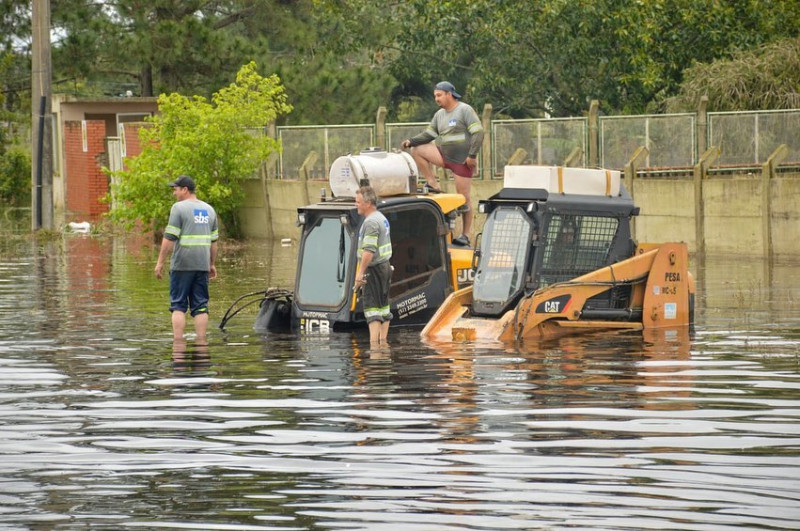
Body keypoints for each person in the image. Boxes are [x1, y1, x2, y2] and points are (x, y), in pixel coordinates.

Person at [401, 81, 484, 247]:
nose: (436, 99)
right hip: (444, 155)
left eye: (439, 95)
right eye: (435, 96)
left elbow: (478, 132)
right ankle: (433, 183)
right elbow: (429, 134)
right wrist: (412, 141)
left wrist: (472, 156)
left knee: (464, 199)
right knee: (416, 149)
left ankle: (465, 235)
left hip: (462, 160)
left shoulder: (464, 110)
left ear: (449, 94)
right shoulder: (439, 115)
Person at [154, 175, 219, 343]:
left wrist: (160, 262)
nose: (174, 193)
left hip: (182, 265)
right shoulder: (209, 210)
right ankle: (202, 344)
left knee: (178, 306)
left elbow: (169, 237)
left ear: (185, 189)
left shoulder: (179, 208)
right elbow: (214, 242)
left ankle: (178, 345)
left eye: (176, 189)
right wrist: (211, 264)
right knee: (201, 306)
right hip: (202, 265)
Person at [354, 185, 392, 346]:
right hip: (384, 266)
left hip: (374, 269)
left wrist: (360, 273)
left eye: (358, 202)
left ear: (368, 203)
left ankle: (374, 348)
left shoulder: (370, 223)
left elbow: (368, 251)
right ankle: (383, 344)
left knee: (372, 309)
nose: (355, 204)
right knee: (383, 307)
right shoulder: (380, 217)